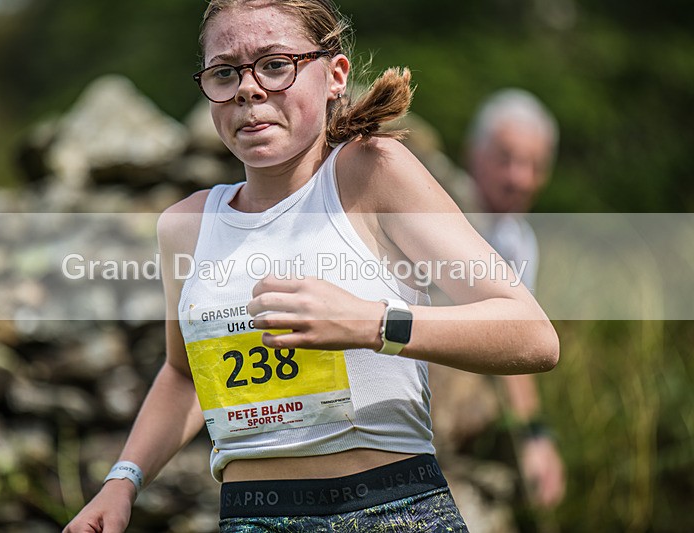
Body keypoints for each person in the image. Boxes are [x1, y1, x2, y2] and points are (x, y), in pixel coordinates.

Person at [64, 2, 559, 532]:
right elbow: (185, 376)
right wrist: (122, 482)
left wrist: (371, 323)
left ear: (335, 75)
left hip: (390, 512)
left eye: (275, 65)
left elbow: (532, 335)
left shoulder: (373, 173)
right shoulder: (185, 227)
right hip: (249, 519)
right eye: (225, 72)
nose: (249, 89)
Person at [465, 89, 567, 512]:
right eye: (505, 159)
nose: (519, 178)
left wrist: (536, 437)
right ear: (474, 155)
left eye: (534, 165)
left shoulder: (518, 239)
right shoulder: (440, 212)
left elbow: (516, 344)